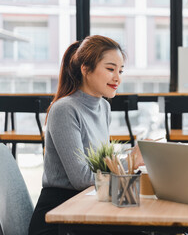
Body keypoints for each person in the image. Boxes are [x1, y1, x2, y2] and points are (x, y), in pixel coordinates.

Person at [28, 35, 144, 235]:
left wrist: (134, 159)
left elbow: (100, 165)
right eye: (110, 69)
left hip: (88, 205)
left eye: (120, 71)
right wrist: (131, 162)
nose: (117, 78)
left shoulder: (104, 107)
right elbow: (81, 178)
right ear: (85, 69)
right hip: (59, 217)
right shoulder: (64, 109)